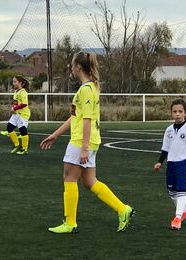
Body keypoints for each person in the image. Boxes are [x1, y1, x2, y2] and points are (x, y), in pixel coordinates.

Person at [40, 52, 134, 234]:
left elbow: (87, 120)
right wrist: (56, 134)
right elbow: (76, 117)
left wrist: (83, 148)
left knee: (69, 178)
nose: (71, 68)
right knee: (90, 182)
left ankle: (70, 223)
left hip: (82, 142)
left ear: (78, 68)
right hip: (88, 141)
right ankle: (123, 209)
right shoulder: (89, 88)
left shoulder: (86, 90)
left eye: (72, 65)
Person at [153, 99, 186, 230]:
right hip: (171, 164)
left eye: (180, 111)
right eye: (175, 111)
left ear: (185, 113)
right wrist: (159, 162)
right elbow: (165, 148)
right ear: (171, 113)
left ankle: (177, 218)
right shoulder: (169, 130)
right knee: (171, 192)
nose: (177, 114)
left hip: (183, 163)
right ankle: (185, 212)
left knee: (181, 191)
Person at [0, 76, 31, 155]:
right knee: (9, 128)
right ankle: (17, 146)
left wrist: (15, 108)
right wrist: (13, 107)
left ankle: (24, 149)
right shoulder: (16, 91)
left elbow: (24, 104)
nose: (13, 83)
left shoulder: (23, 92)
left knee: (23, 131)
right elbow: (16, 102)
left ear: (20, 82)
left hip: (23, 114)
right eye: (13, 81)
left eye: (15, 82)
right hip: (17, 113)